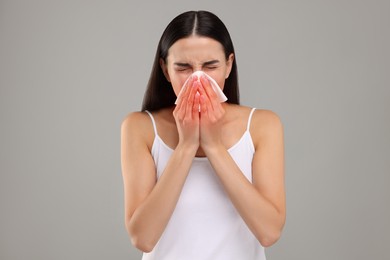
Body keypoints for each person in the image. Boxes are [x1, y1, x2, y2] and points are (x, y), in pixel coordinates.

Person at [121, 10, 285, 260]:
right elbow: (142, 237)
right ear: (165, 70)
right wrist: (186, 146)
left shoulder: (262, 125)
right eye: (184, 67)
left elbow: (269, 232)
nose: (198, 79)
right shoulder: (140, 127)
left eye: (210, 66)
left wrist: (213, 146)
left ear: (229, 65)